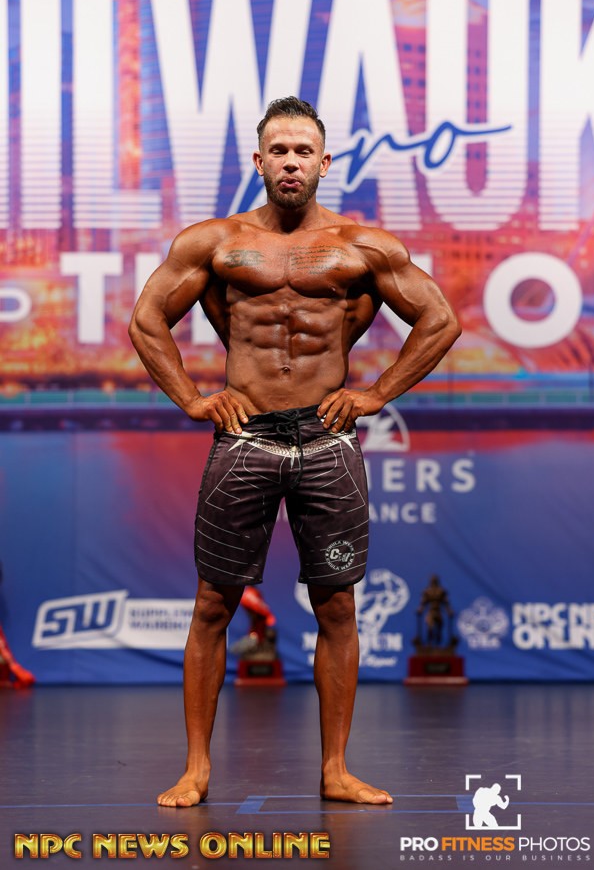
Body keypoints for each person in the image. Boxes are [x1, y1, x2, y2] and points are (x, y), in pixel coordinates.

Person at [129, 96, 461, 808]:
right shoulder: (215, 242)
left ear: (324, 162)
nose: (290, 163)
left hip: (327, 439)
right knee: (213, 603)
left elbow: (439, 319)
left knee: (337, 606)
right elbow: (147, 318)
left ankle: (335, 770)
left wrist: (377, 393)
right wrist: (192, 399)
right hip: (244, 437)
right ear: (258, 161)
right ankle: (196, 768)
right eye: (278, 151)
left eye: (302, 152)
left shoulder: (362, 246)